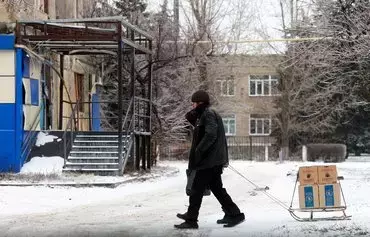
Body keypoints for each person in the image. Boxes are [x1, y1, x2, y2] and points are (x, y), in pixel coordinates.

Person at [174, 90, 245, 229]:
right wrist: (193, 114)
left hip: (208, 161)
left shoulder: (208, 114)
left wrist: (199, 150)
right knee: (217, 189)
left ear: (200, 102)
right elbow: (195, 123)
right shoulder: (205, 114)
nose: (192, 106)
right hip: (211, 161)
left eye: (193, 103)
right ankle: (234, 214)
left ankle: (191, 220)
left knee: (196, 189)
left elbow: (211, 135)